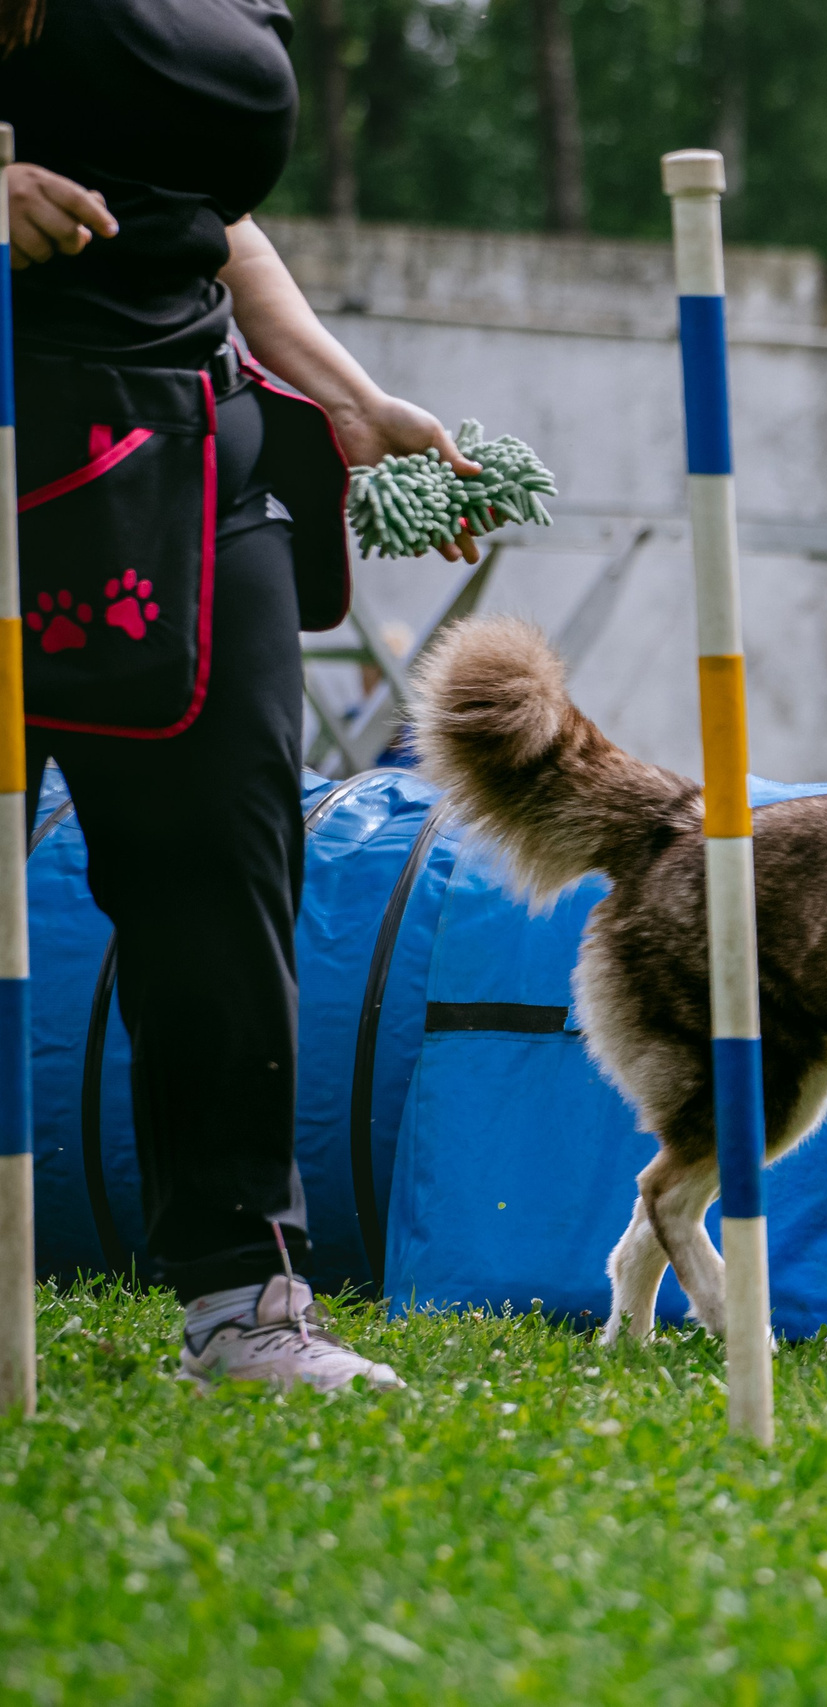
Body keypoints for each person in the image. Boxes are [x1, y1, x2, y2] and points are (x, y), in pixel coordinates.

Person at [4, 0, 477, 1391]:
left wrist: (347, 394)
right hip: (13, 430)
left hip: (187, 447)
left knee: (228, 872)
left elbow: (209, 217)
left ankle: (243, 1303)